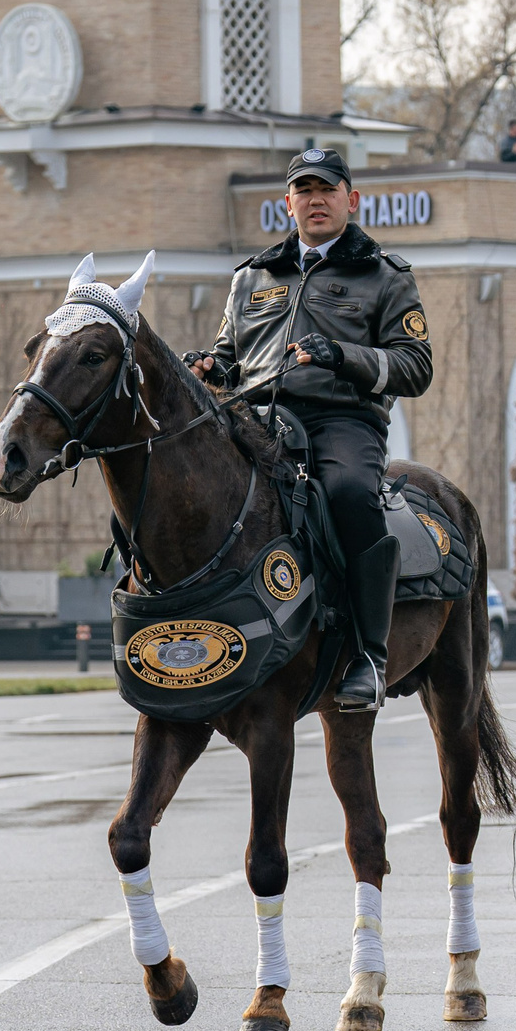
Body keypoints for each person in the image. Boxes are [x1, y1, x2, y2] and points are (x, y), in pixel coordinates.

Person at [191, 145, 432, 711]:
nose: (315, 200)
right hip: (256, 421)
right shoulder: (252, 277)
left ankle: (370, 657)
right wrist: (210, 365)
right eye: (304, 190)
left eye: (327, 190)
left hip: (341, 421)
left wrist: (342, 355)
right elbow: (232, 356)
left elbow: (415, 366)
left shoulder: (384, 275)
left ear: (351, 200)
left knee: (348, 494)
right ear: (288, 204)